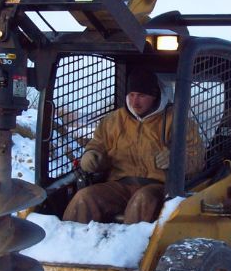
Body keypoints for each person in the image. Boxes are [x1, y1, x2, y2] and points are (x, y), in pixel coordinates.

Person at [62, 68, 204, 224]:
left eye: (142, 96)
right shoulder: (113, 121)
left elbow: (196, 158)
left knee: (142, 200)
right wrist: (91, 156)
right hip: (119, 185)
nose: (135, 101)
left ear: (154, 95)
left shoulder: (177, 121)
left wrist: (175, 160)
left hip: (159, 188)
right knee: (84, 197)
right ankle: (71, 245)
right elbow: (97, 146)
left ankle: (132, 246)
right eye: (131, 95)